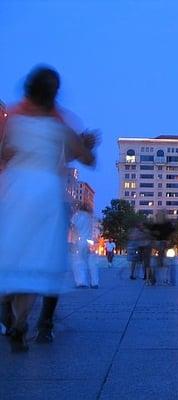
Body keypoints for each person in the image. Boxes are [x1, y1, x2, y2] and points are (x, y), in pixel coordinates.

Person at [0, 66, 97, 352]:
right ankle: (22, 323)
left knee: (13, 256)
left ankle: (11, 316)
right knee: (36, 261)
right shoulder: (60, 125)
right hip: (45, 193)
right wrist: (87, 146)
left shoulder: (14, 119)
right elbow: (87, 159)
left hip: (15, 189)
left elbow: (4, 152)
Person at [71, 203, 98, 288]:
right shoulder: (91, 217)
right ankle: (95, 282)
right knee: (92, 263)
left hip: (80, 240)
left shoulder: (77, 216)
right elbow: (95, 230)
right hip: (90, 241)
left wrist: (74, 241)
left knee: (79, 261)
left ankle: (81, 282)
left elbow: (74, 228)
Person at [148, 210, 175, 285]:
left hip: (164, 244)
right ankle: (155, 277)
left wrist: (169, 242)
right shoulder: (155, 225)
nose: (158, 217)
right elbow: (151, 235)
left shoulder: (167, 225)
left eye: (160, 216)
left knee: (162, 261)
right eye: (158, 216)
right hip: (159, 244)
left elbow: (172, 234)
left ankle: (162, 278)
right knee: (158, 261)